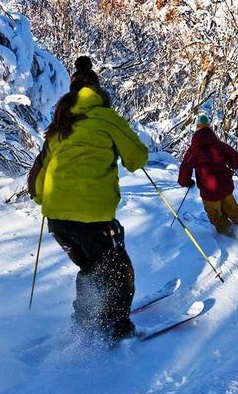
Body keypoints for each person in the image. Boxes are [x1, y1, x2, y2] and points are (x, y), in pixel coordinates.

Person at [28, 56, 149, 343]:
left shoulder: (60, 128)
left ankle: (86, 319)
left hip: (57, 220)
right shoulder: (107, 118)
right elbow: (138, 158)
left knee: (92, 268)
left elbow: (36, 183)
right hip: (93, 218)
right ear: (97, 91)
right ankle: (117, 329)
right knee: (119, 270)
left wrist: (51, 200)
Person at [177, 114, 238, 235]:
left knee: (216, 217)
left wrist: (186, 182)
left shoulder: (193, 150)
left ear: (197, 127)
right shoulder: (219, 144)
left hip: (209, 192)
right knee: (234, 211)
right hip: (225, 187)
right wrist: (232, 166)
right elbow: (236, 161)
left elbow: (185, 169)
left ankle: (235, 236)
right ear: (209, 127)